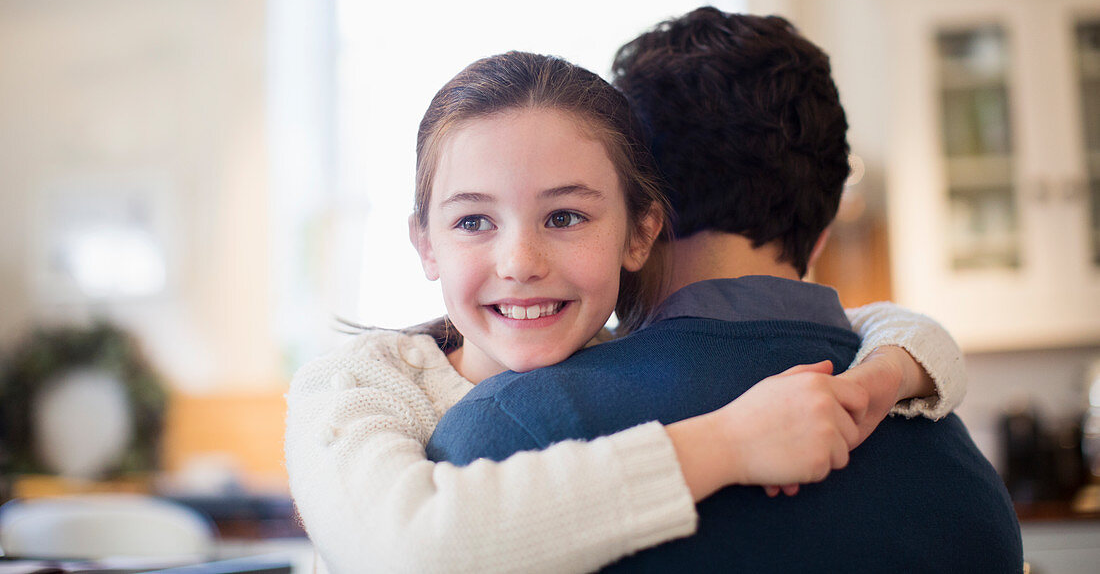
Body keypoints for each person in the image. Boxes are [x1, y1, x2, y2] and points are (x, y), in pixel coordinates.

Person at [286, 50, 966, 574]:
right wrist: (730, 443)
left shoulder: (622, 359)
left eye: (564, 215)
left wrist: (876, 380)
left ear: (640, 234)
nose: (520, 259)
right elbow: (412, 550)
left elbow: (887, 322)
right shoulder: (354, 388)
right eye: (472, 220)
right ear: (425, 244)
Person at [426, 15, 1023, 572]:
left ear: (639, 221)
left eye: (564, 216)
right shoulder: (969, 482)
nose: (522, 262)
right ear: (820, 233)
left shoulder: (498, 445)